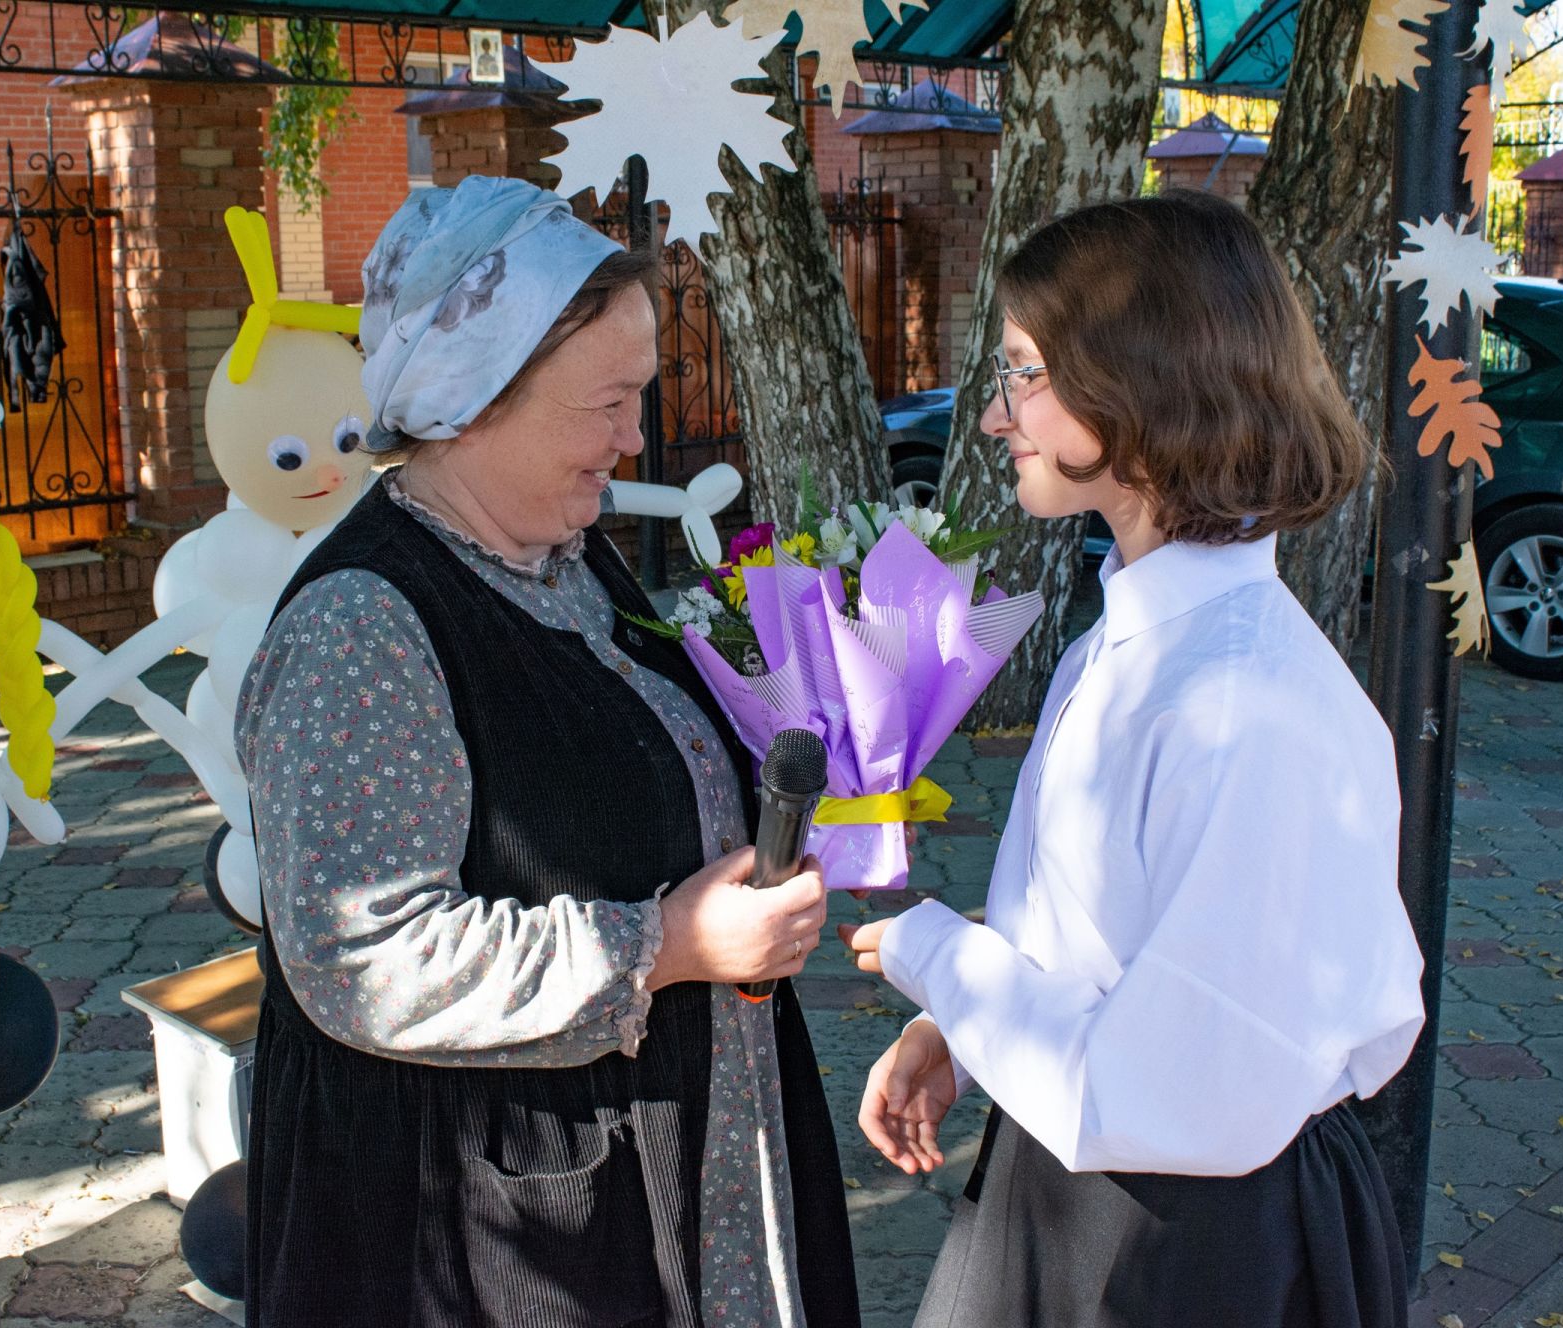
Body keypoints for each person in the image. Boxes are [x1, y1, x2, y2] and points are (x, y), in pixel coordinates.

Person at [236, 177, 859, 1328]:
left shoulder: (567, 561)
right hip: (492, 1241)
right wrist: (664, 944)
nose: (634, 439)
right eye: (607, 404)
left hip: (652, 1155)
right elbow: (361, 957)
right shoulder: (361, 626)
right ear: (476, 397)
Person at [840, 190, 1427, 1328]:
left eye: (1021, 371)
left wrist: (941, 961)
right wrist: (965, 1031)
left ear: (1140, 380)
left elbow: (1177, 1091)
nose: (996, 415)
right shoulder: (1131, 636)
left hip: (1187, 1248)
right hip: (1091, 1193)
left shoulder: (1246, 700)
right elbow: (1108, 946)